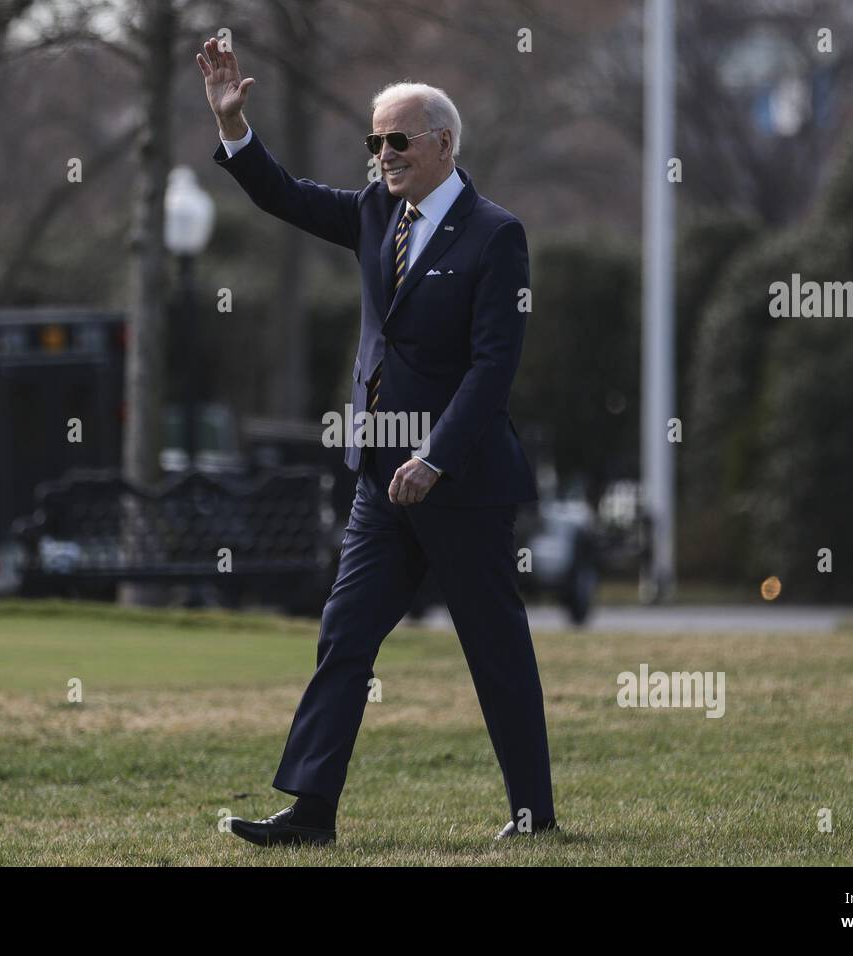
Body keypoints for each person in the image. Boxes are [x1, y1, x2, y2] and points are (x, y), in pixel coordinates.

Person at [197, 37, 557, 845]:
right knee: (345, 636)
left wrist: (436, 456)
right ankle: (312, 814)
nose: (384, 154)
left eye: (398, 140)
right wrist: (233, 124)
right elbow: (282, 195)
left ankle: (533, 815)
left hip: (462, 485)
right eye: (375, 141)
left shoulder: (498, 235)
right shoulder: (371, 214)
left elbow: (494, 368)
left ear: (442, 145)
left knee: (495, 653)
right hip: (378, 485)